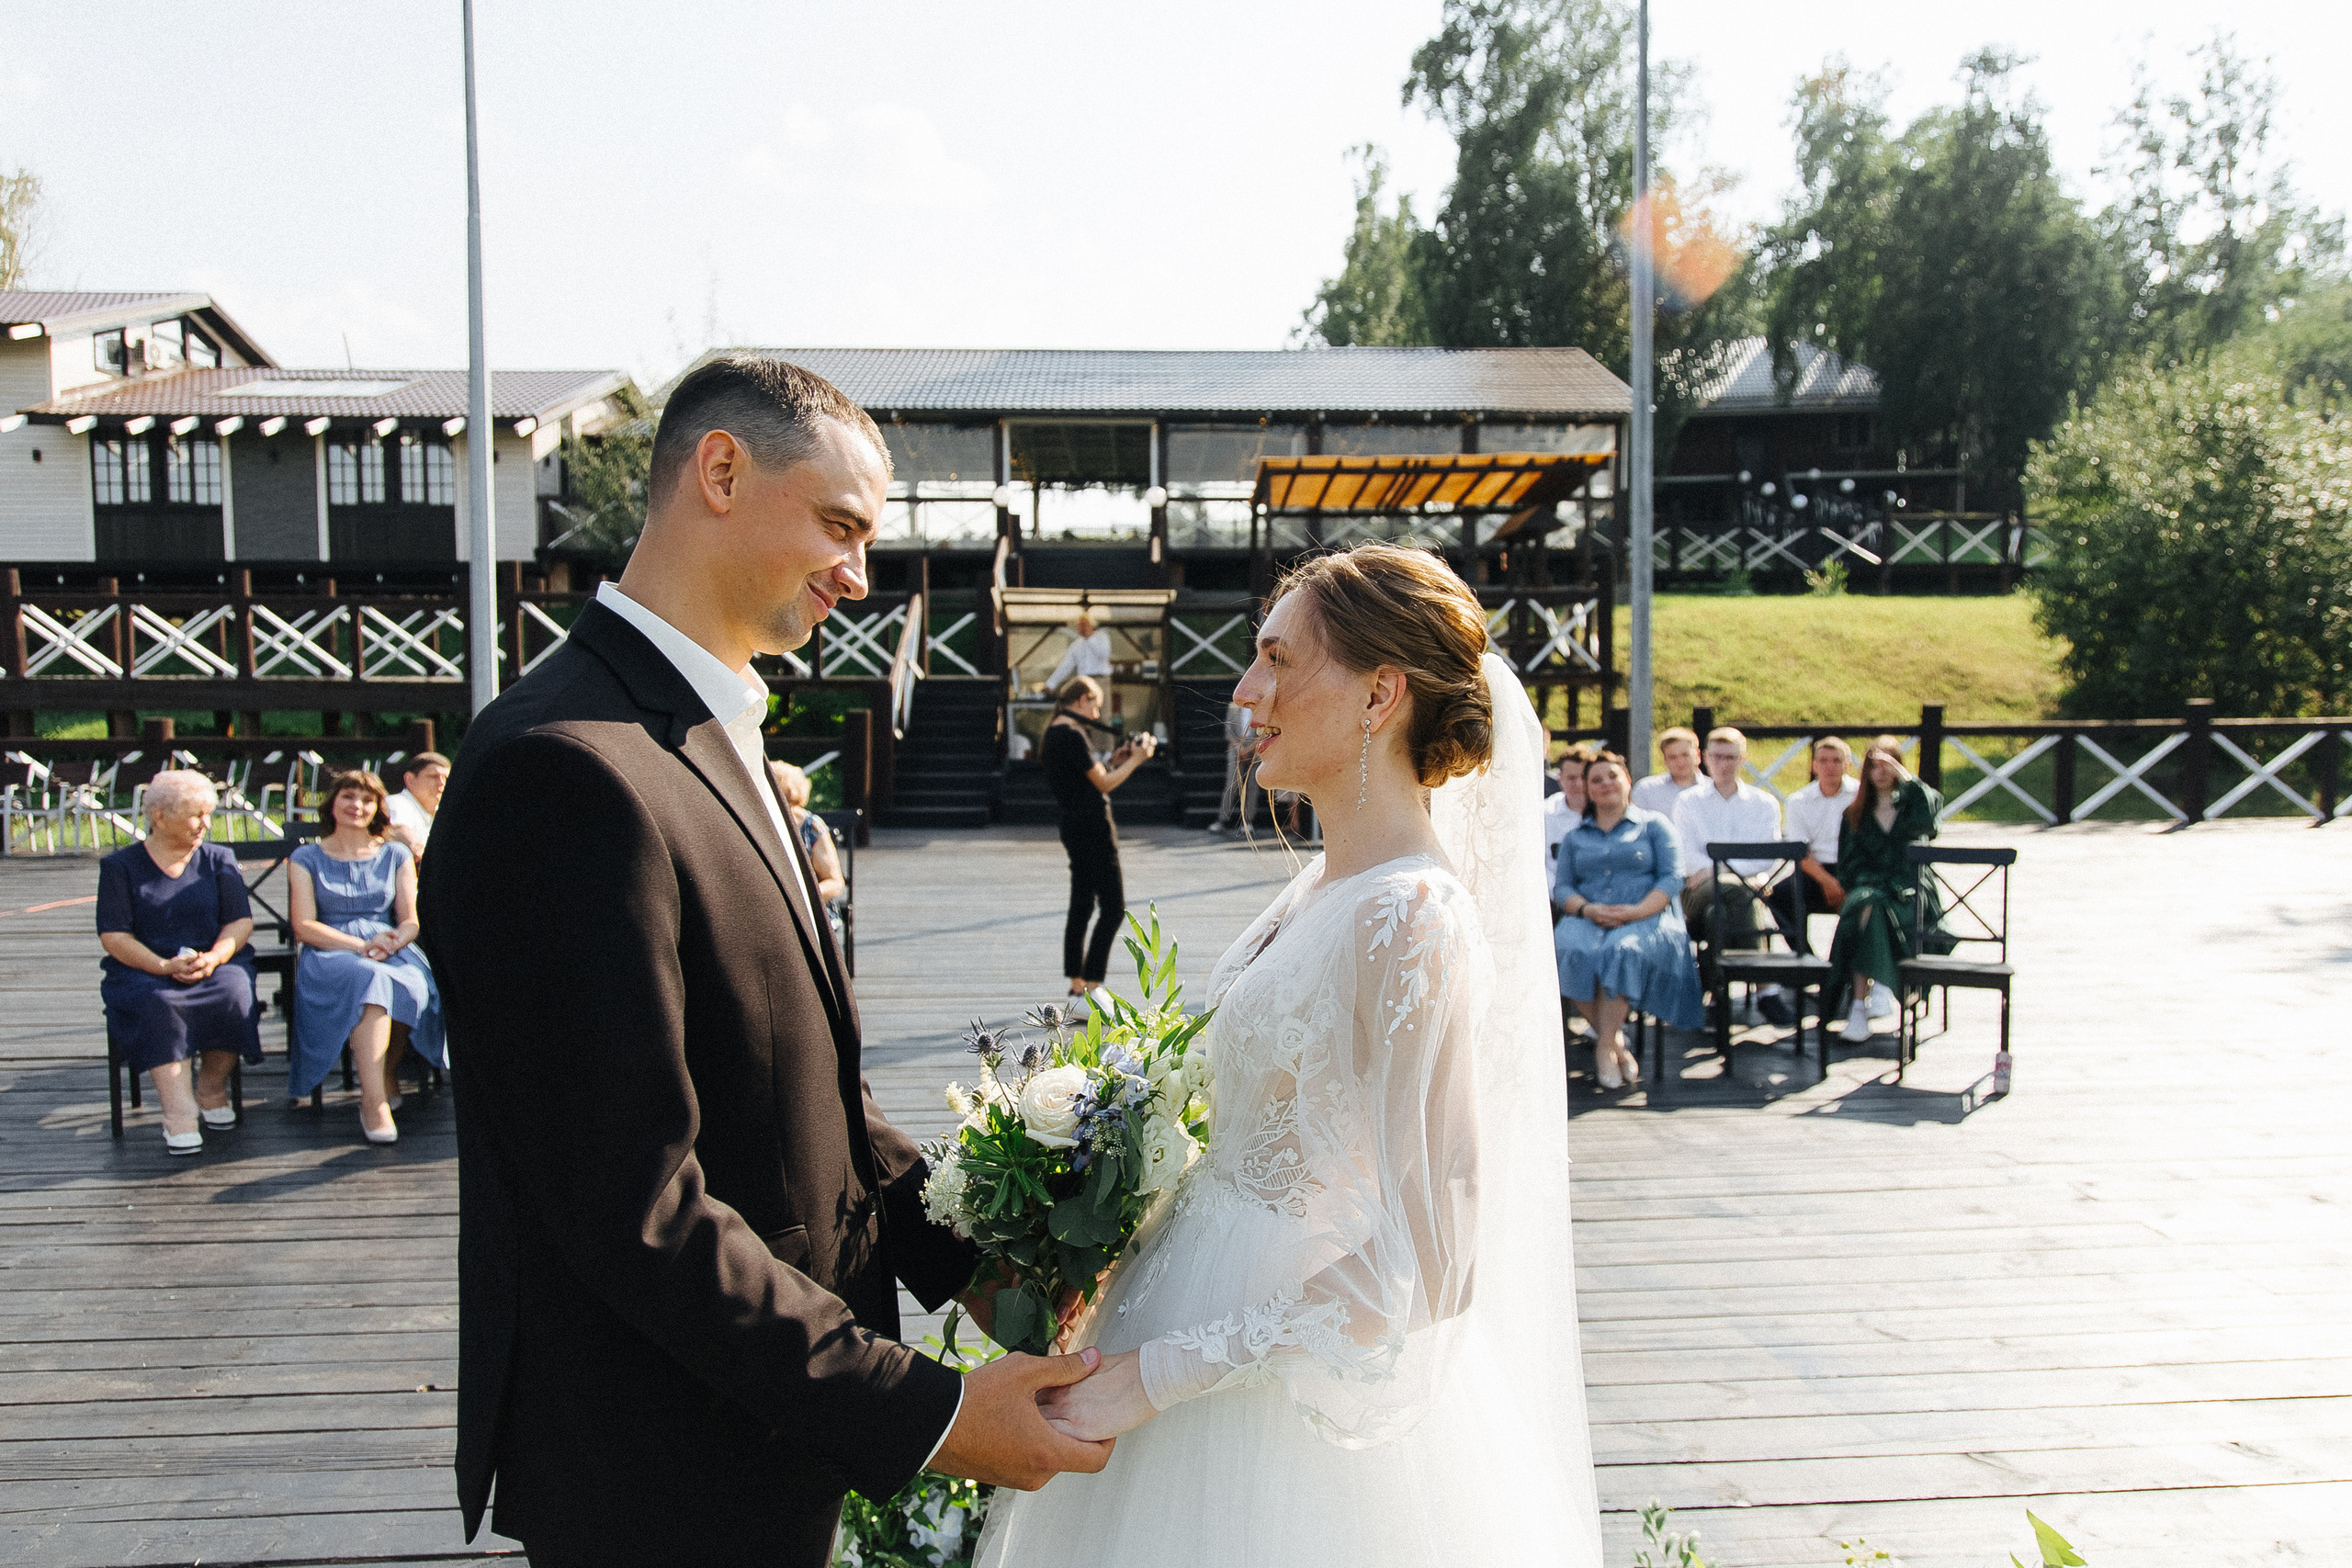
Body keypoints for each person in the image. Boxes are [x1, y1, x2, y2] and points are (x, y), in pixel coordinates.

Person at [418, 354, 1110, 1566]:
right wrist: (931, 1414)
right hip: (660, 1471)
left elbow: (807, 1092)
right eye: (840, 525)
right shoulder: (561, 767)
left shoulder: (707, 726)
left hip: (764, 1431)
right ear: (722, 471)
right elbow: (634, 1207)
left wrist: (980, 1271)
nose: (858, 574)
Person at [978, 542, 1604, 1568]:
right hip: (1175, 1303)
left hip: (1276, 1399)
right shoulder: (1321, 884)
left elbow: (1434, 1260)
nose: (1245, 691)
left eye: (1277, 659)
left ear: (1379, 696)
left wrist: (1159, 1374)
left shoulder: (1411, 918)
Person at [96, 770, 262, 1156]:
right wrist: (162, 966)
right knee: (160, 1002)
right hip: (145, 968)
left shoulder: (219, 858)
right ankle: (178, 1111)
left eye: (208, 814)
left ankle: (211, 1088)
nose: (206, 824)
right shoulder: (120, 866)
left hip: (212, 962)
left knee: (235, 990)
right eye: (195, 815)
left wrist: (215, 957)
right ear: (160, 816)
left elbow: (240, 921)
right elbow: (114, 936)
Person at [288, 770, 446, 1144]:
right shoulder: (305, 857)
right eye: (348, 796)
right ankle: (374, 1102)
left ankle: (386, 1074)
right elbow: (304, 926)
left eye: (366, 799)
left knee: (410, 981)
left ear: (377, 808)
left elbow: (410, 921)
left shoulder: (395, 854)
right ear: (332, 803)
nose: (356, 806)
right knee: (371, 978)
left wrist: (391, 943)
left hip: (389, 945)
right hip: (331, 950)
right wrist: (359, 947)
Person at [1553, 750, 1706, 1089]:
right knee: (1564, 948)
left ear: (1628, 781)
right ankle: (1616, 1042)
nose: (1606, 783)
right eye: (1596, 780)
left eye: (1613, 776)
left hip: (1647, 916)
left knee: (1622, 950)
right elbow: (1563, 887)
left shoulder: (1655, 825)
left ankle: (1603, 1047)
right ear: (1588, 790)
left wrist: (1635, 912)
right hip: (1590, 916)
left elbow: (1671, 878)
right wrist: (1588, 910)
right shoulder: (1576, 837)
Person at [1041, 674, 1156, 995]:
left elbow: (1086, 775)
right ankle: (1092, 985)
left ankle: (1077, 985)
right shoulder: (1073, 735)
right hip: (1093, 826)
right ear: (1082, 700)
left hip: (1072, 824)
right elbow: (1103, 784)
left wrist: (1114, 761)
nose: (1096, 715)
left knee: (1081, 903)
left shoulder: (1054, 733)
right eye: (1095, 706)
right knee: (1113, 907)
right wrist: (1136, 760)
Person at [1826, 736, 1944, 1044]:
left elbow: (1930, 821)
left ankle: (1858, 1007)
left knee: (1869, 910)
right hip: (1870, 888)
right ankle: (1874, 992)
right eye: (1874, 766)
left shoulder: (1911, 808)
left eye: (1888, 765)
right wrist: (1873, 883)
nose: (1880, 772)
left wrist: (1906, 778)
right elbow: (1848, 868)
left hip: (1910, 891)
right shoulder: (1854, 814)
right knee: (1870, 904)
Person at [1765, 736, 1860, 962]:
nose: (1830, 767)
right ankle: (1808, 961)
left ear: (1848, 765)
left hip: (1854, 866)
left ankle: (1846, 964)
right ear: (1814, 765)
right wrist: (1828, 883)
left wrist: (1844, 881)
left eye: (1836, 761)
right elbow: (1800, 851)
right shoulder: (1798, 800)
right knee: (1780, 895)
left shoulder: (1861, 795)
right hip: (1814, 870)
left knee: (1867, 897)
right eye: (1823, 761)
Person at [769, 759, 848, 944]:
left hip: (812, 909)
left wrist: (800, 898)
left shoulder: (811, 827)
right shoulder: (762, 825)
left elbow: (835, 882)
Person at [1543, 741, 1598, 879]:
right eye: (1571, 778)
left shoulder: (1608, 812)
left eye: (1583, 777)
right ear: (1560, 778)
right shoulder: (1544, 814)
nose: (1579, 784)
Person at [383, 751, 450, 859]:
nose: (442, 783)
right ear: (410, 779)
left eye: (446, 778)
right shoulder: (398, 803)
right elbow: (397, 832)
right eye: (434, 776)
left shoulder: (445, 814)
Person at [1206, 698, 1257, 833]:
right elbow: (1229, 733)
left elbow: (1263, 734)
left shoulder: (1260, 708)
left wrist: (1249, 749)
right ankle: (1221, 820)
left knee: (1252, 786)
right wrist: (1240, 750)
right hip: (1235, 748)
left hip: (1255, 749)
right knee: (1232, 784)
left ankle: (1248, 822)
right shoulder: (1233, 707)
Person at [1631, 725, 1701, 817]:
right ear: (1665, 760)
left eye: (1685, 755)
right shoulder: (1646, 790)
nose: (1680, 762)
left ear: (1698, 755)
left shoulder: (1713, 790)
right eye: (1673, 757)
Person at [1040, 610, 1113, 694]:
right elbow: (1066, 666)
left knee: (1102, 702)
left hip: (1100, 680)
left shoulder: (1102, 638)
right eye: (1080, 626)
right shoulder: (1076, 645)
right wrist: (1050, 684)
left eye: (1085, 625)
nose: (1083, 628)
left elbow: (1104, 654)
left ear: (1092, 625)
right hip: (1084, 681)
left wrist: (1090, 638)